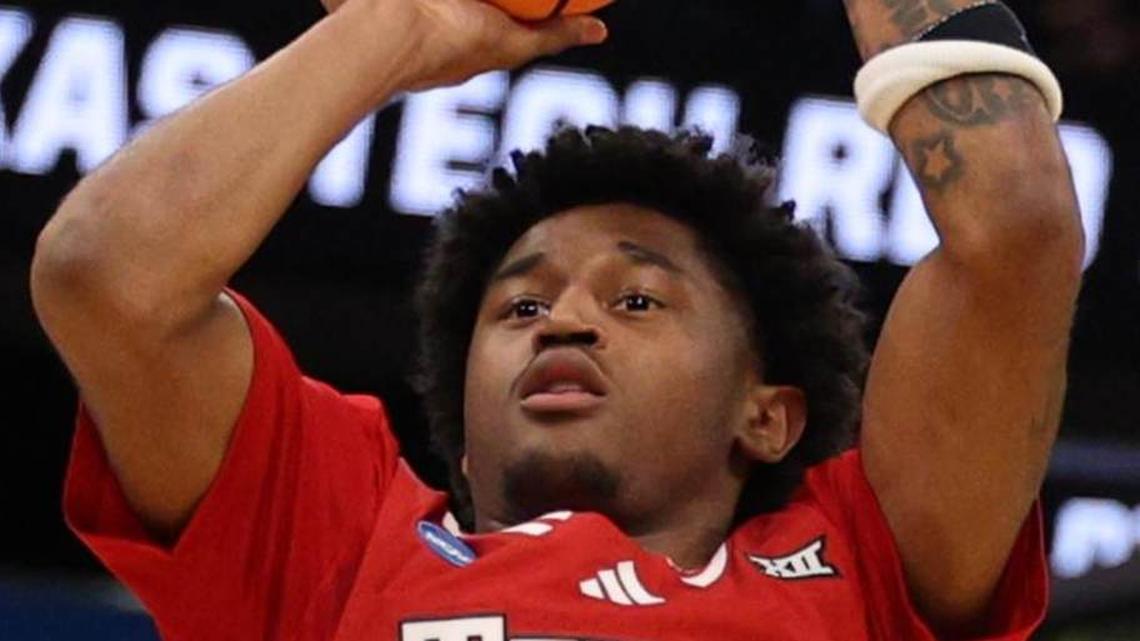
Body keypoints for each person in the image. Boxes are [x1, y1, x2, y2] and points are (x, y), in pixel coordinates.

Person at [30, 0, 1083, 638]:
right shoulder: (337, 539)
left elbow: (1018, 228)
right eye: (522, 302)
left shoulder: (863, 563)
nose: (562, 321)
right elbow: (109, 274)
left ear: (766, 413)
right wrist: (396, 27)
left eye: (637, 299)